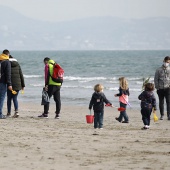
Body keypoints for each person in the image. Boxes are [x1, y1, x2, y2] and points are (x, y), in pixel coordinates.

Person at [154, 56, 170, 120]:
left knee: (168, 102)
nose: (166, 63)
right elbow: (156, 79)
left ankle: (169, 115)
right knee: (161, 102)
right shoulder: (158, 69)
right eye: (166, 62)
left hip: (168, 88)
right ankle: (162, 115)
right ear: (163, 61)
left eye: (168, 62)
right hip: (160, 88)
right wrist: (157, 87)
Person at [0, 49, 12, 119]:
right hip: (2, 82)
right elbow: (8, 74)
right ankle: (0, 114)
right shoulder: (7, 62)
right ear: (8, 54)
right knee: (1, 98)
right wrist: (9, 84)